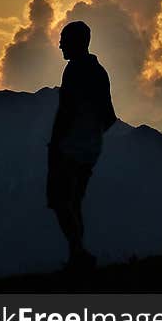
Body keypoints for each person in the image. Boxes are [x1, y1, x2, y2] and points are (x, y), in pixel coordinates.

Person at [48, 21, 116, 271]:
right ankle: (77, 255)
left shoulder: (74, 71)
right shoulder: (99, 71)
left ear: (77, 42)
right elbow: (110, 116)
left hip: (70, 148)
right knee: (74, 201)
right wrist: (93, 137)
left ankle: (78, 253)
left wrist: (58, 143)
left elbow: (66, 112)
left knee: (60, 200)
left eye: (64, 39)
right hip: (90, 149)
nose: (60, 44)